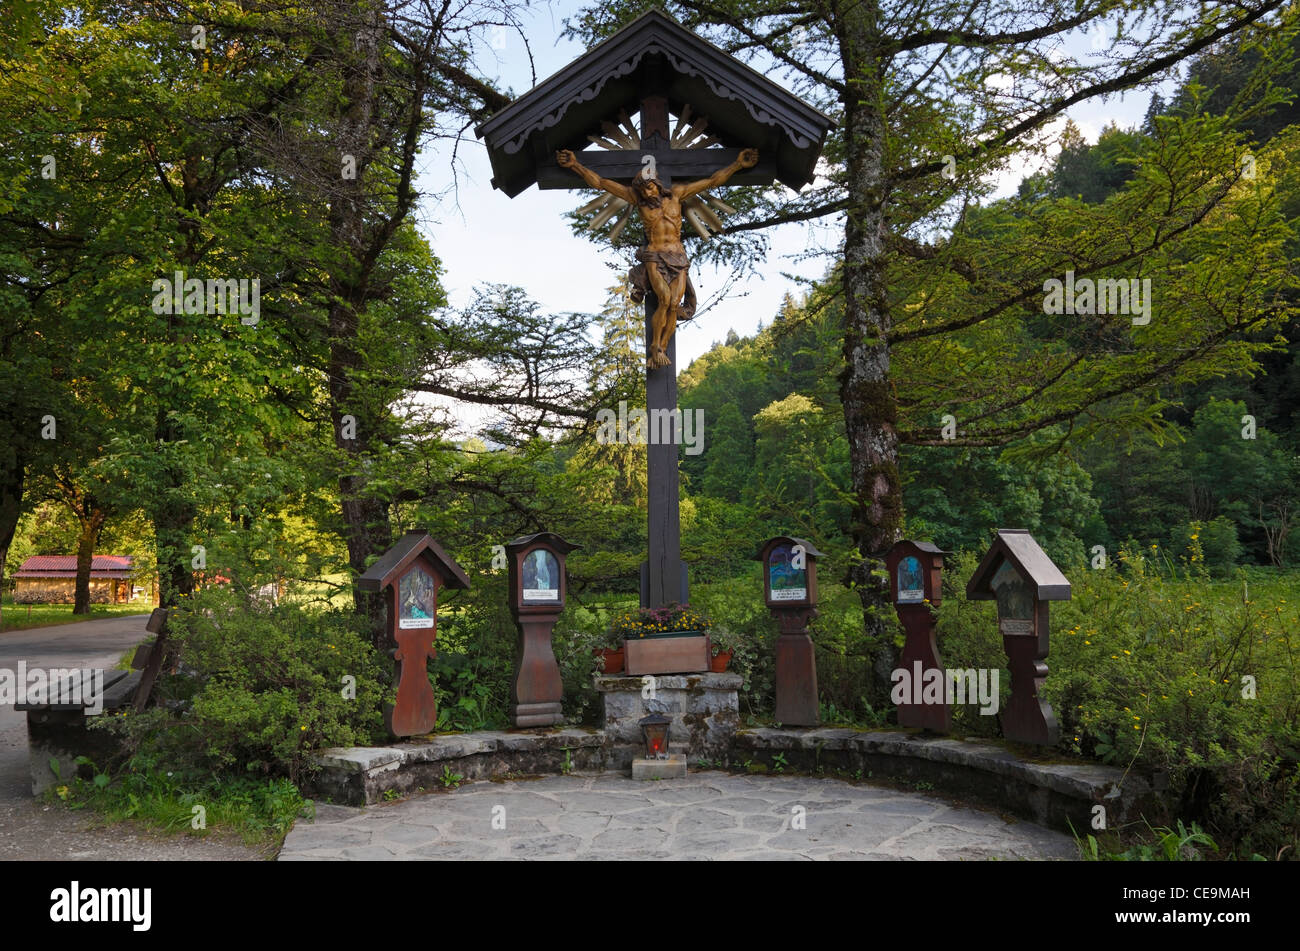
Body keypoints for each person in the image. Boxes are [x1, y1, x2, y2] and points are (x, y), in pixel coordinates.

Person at [556, 146, 759, 368]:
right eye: (643, 191)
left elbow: (712, 181)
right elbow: (602, 183)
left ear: (658, 185)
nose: (648, 193)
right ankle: (656, 347)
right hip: (654, 256)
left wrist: (738, 164)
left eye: (651, 188)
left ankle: (662, 346)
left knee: (673, 303)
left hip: (678, 256)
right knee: (663, 299)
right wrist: (575, 165)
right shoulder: (637, 199)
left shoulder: (678, 195)